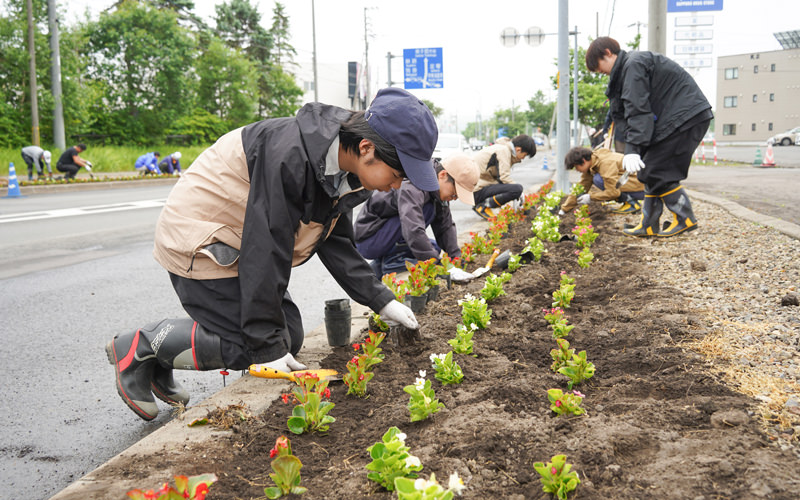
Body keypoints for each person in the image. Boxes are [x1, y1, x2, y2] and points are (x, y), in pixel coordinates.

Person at [106, 87, 439, 420]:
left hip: (237, 244)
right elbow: (266, 245)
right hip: (200, 240)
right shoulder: (291, 154)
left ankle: (161, 358)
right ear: (366, 148)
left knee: (286, 339)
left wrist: (381, 300)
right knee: (257, 346)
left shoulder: (343, 172)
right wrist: (263, 348)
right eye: (397, 175)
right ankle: (142, 346)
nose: (396, 187)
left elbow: (336, 242)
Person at [585, 36, 712, 237]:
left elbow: (638, 110)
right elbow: (627, 112)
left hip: (686, 117)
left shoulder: (633, 66)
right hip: (674, 120)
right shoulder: (627, 69)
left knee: (656, 170)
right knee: (648, 171)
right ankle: (649, 224)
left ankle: (685, 218)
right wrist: (635, 150)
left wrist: (633, 150)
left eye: (598, 65)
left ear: (608, 53)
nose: (600, 71)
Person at [353, 153, 480, 277]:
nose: (454, 198)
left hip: (386, 236)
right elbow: (413, 229)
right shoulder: (414, 182)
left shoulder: (434, 187)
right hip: (370, 239)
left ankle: (379, 268)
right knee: (428, 213)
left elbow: (445, 225)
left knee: (433, 249)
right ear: (443, 175)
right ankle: (393, 263)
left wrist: (456, 259)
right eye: (454, 193)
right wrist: (434, 266)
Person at [560, 146, 645, 214]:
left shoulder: (605, 163)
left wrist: (591, 197)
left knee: (598, 179)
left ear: (583, 160)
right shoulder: (594, 162)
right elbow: (582, 186)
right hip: (634, 185)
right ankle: (629, 202)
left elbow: (613, 192)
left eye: (576, 167)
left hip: (642, 188)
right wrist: (564, 209)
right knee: (597, 178)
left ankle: (632, 204)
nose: (577, 170)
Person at [470, 134, 537, 219]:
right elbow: (504, 178)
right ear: (518, 149)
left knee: (513, 188)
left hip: (477, 188)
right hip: (476, 190)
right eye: (525, 155)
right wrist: (521, 194)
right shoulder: (504, 151)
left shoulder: (502, 147)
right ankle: (483, 206)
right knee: (517, 189)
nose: (523, 158)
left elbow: (500, 179)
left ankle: (483, 204)